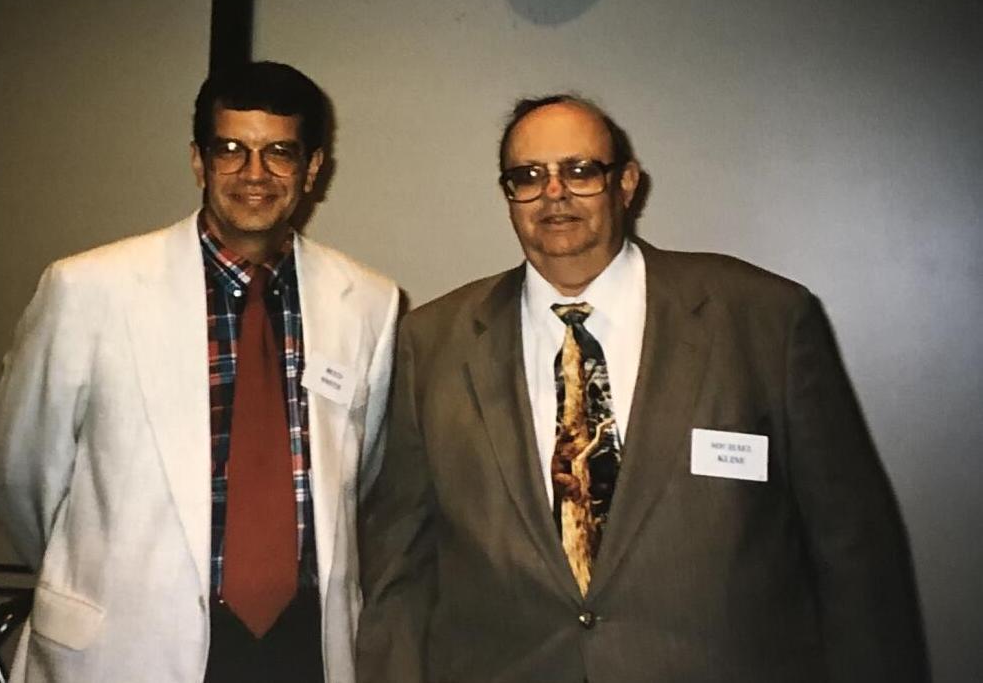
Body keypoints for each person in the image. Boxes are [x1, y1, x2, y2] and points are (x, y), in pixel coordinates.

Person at [356, 94, 927, 682]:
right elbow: (401, 567)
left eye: (580, 171)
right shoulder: (434, 342)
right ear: (508, 196)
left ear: (626, 183)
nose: (554, 193)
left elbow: (853, 552)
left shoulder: (763, 320)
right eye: (528, 176)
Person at [0, 61, 399, 683]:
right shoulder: (89, 289)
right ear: (199, 162)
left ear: (313, 169)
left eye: (279, 152)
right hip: (125, 647)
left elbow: (357, 476)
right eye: (230, 149)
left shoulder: (370, 303)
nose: (253, 173)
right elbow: (22, 475)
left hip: (301, 649)